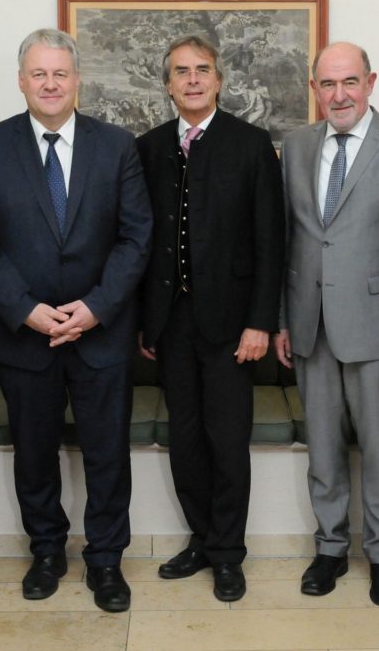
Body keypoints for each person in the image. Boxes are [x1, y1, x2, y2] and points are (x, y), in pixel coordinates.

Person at [0, 28, 152, 613]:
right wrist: (27, 311)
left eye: (60, 74)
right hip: (24, 336)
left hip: (102, 332)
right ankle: (46, 552)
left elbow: (136, 237)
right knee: (35, 453)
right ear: (21, 81)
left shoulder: (117, 146)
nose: (50, 84)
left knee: (107, 455)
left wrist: (93, 309)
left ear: (76, 80)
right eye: (38, 74)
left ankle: (106, 560)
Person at [275, 42, 379, 607]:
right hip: (309, 325)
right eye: (327, 84)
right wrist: (281, 321)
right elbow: (289, 242)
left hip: (378, 327)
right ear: (314, 88)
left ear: (370, 82)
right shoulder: (295, 147)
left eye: (349, 82)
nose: (339, 95)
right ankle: (329, 549)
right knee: (322, 448)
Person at [137, 35, 284, 602]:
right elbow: (142, 240)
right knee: (186, 440)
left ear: (219, 80)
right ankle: (201, 538)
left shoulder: (250, 145)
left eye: (202, 70)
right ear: (168, 84)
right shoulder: (148, 148)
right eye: (181, 72)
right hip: (171, 326)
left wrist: (260, 322)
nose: (193, 80)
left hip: (232, 327)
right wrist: (148, 322)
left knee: (227, 440)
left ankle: (228, 552)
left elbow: (271, 242)